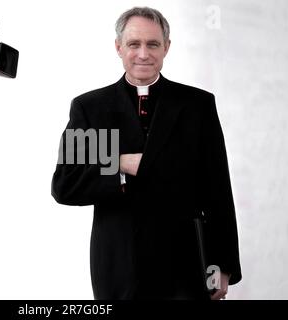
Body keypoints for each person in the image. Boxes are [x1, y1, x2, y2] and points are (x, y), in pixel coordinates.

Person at [51, 7, 242, 300]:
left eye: (153, 44)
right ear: (118, 47)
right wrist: (121, 164)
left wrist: (222, 265)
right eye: (133, 44)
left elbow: (217, 190)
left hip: (185, 264)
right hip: (118, 265)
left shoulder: (197, 105)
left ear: (166, 47)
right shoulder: (92, 108)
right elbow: (67, 185)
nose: (143, 54)